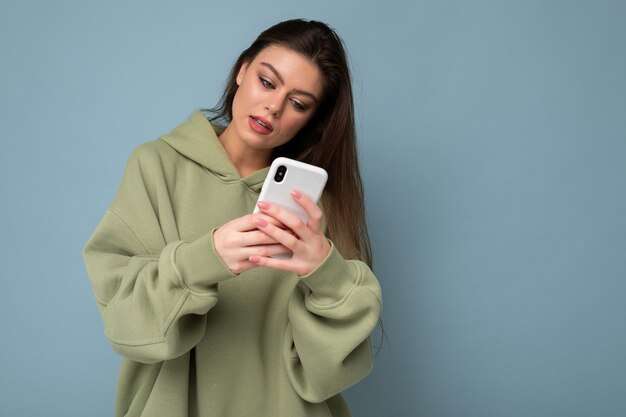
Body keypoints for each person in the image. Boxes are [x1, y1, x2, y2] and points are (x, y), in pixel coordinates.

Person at [82, 18, 382, 417]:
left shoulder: (315, 205)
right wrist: (206, 258)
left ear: (312, 118)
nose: (273, 106)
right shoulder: (156, 166)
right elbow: (124, 320)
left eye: (298, 103)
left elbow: (335, 368)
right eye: (268, 81)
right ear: (242, 70)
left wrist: (323, 270)